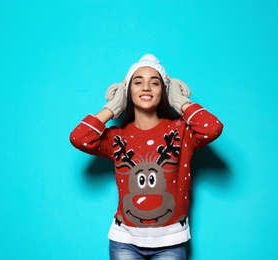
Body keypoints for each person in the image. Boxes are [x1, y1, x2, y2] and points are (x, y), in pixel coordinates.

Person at [70, 54, 223, 259]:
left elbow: (212, 128)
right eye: (138, 82)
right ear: (127, 91)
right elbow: (79, 137)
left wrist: (182, 103)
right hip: (124, 241)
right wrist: (112, 108)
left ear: (164, 90)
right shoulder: (117, 138)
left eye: (155, 82)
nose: (146, 88)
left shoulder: (181, 131)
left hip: (171, 242)